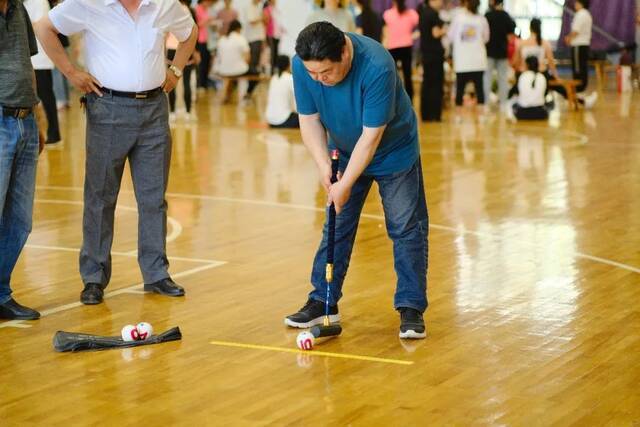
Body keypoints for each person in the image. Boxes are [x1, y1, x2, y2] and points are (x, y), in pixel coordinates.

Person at [35, 0, 198, 304]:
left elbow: (190, 31)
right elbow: (44, 28)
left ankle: (156, 273)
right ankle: (94, 278)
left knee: (153, 198)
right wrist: (70, 72)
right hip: (107, 107)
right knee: (100, 197)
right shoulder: (88, 3)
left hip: (154, 109)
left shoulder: (162, 4)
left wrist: (175, 70)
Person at [285, 22, 429, 339]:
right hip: (345, 149)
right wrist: (324, 166)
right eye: (313, 75)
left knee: (405, 226)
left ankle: (411, 306)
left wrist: (344, 185)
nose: (319, 80)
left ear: (345, 53)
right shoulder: (302, 64)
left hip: (393, 150)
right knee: (337, 223)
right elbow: (308, 121)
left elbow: (371, 136)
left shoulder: (377, 64)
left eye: (326, 74)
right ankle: (322, 300)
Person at [0, 0, 47, 320]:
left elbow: (26, 66)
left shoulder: (19, 10)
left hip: (26, 120)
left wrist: (38, 115)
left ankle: (1, 293)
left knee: (19, 221)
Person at [24, 0, 61, 144]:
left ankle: (54, 132)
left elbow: (41, 26)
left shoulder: (40, 2)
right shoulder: (23, 4)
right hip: (29, 59)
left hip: (41, 59)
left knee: (46, 96)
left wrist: (21, 25)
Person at [447, 0, 489, 119]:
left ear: (465, 3)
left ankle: (458, 117)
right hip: (478, 60)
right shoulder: (482, 20)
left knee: (460, 88)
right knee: (479, 88)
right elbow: (486, 38)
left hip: (462, 61)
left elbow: (450, 36)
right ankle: (481, 117)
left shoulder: (458, 18)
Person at [167, 0, 200, 121]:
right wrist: (195, 51)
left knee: (170, 81)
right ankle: (187, 112)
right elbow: (193, 33)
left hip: (171, 49)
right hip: (186, 50)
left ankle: (172, 112)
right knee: (186, 82)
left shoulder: (169, 7)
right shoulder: (189, 10)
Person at [383, 0, 419, 101]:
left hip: (392, 48)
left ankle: (393, 100)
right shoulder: (412, 14)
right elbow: (421, 28)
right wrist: (412, 36)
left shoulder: (387, 14)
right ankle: (409, 101)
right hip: (406, 47)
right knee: (408, 76)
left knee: (392, 76)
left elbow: (386, 33)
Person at [564, 0, 597, 106]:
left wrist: (568, 38)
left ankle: (580, 97)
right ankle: (581, 97)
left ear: (580, 3)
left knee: (578, 72)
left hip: (578, 46)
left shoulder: (580, 14)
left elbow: (576, 31)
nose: (574, 4)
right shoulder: (587, 14)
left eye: (576, 2)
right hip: (584, 45)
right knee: (582, 70)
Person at [483, 0, 515, 112]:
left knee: (487, 78)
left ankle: (485, 104)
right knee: (503, 79)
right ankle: (503, 104)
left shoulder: (487, 15)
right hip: (502, 52)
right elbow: (511, 36)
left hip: (489, 52)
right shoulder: (506, 16)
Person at [418, 0, 446, 122]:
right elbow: (435, 33)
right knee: (436, 84)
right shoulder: (433, 14)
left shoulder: (423, 13)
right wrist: (445, 30)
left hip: (426, 53)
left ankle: (426, 114)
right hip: (435, 54)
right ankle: (435, 114)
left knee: (427, 84)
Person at [215, 19, 251, 102]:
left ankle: (227, 95)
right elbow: (247, 58)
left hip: (223, 69)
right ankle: (247, 95)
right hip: (238, 70)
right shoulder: (241, 39)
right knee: (255, 72)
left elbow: (219, 57)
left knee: (231, 76)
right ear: (238, 29)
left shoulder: (222, 40)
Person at [509, 56, 548, 121]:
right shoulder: (542, 77)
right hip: (540, 113)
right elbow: (545, 94)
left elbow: (515, 92)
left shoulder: (523, 76)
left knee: (513, 104)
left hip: (522, 113)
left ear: (527, 65)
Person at [266, 55, 298, 128]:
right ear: (288, 65)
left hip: (270, 121)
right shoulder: (290, 78)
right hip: (283, 120)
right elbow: (298, 98)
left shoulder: (274, 78)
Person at [244, 0, 266, 98]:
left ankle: (250, 90)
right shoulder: (250, 7)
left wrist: (263, 40)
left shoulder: (258, 7)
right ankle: (249, 90)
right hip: (252, 40)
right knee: (252, 65)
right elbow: (251, 21)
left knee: (255, 65)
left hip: (258, 39)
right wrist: (262, 18)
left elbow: (262, 25)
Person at [195, 0, 217, 89]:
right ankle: (200, 83)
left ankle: (204, 82)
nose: (209, 3)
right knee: (201, 63)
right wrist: (207, 20)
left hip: (207, 39)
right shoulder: (197, 9)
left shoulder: (206, 10)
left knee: (207, 62)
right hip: (200, 39)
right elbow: (196, 25)